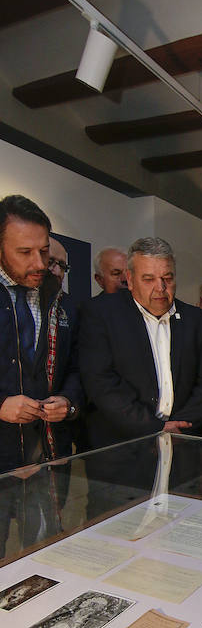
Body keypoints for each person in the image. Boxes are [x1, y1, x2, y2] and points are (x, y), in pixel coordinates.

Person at [79, 236, 202, 448]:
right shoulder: (101, 314)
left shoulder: (195, 319)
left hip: (183, 443)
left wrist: (182, 426)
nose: (160, 287)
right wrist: (154, 427)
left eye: (167, 278)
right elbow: (100, 382)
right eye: (149, 279)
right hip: (121, 449)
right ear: (130, 280)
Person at [0, 194, 81, 471]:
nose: (39, 264)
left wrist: (68, 401)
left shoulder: (59, 298)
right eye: (25, 252)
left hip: (51, 457)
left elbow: (76, 366)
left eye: (44, 251)